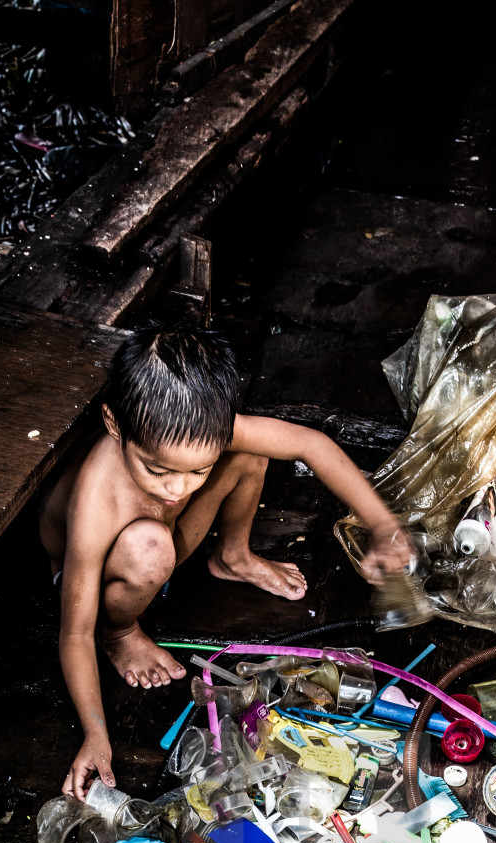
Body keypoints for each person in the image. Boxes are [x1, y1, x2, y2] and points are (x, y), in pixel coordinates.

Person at [40, 321, 411, 799]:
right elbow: (72, 631)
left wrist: (382, 525)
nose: (178, 489)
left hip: (165, 550)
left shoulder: (205, 434)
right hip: (104, 580)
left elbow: (311, 445)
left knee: (251, 457)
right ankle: (121, 634)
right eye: (156, 469)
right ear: (115, 426)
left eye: (199, 469)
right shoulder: (98, 496)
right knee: (150, 546)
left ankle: (232, 556)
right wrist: (95, 734)